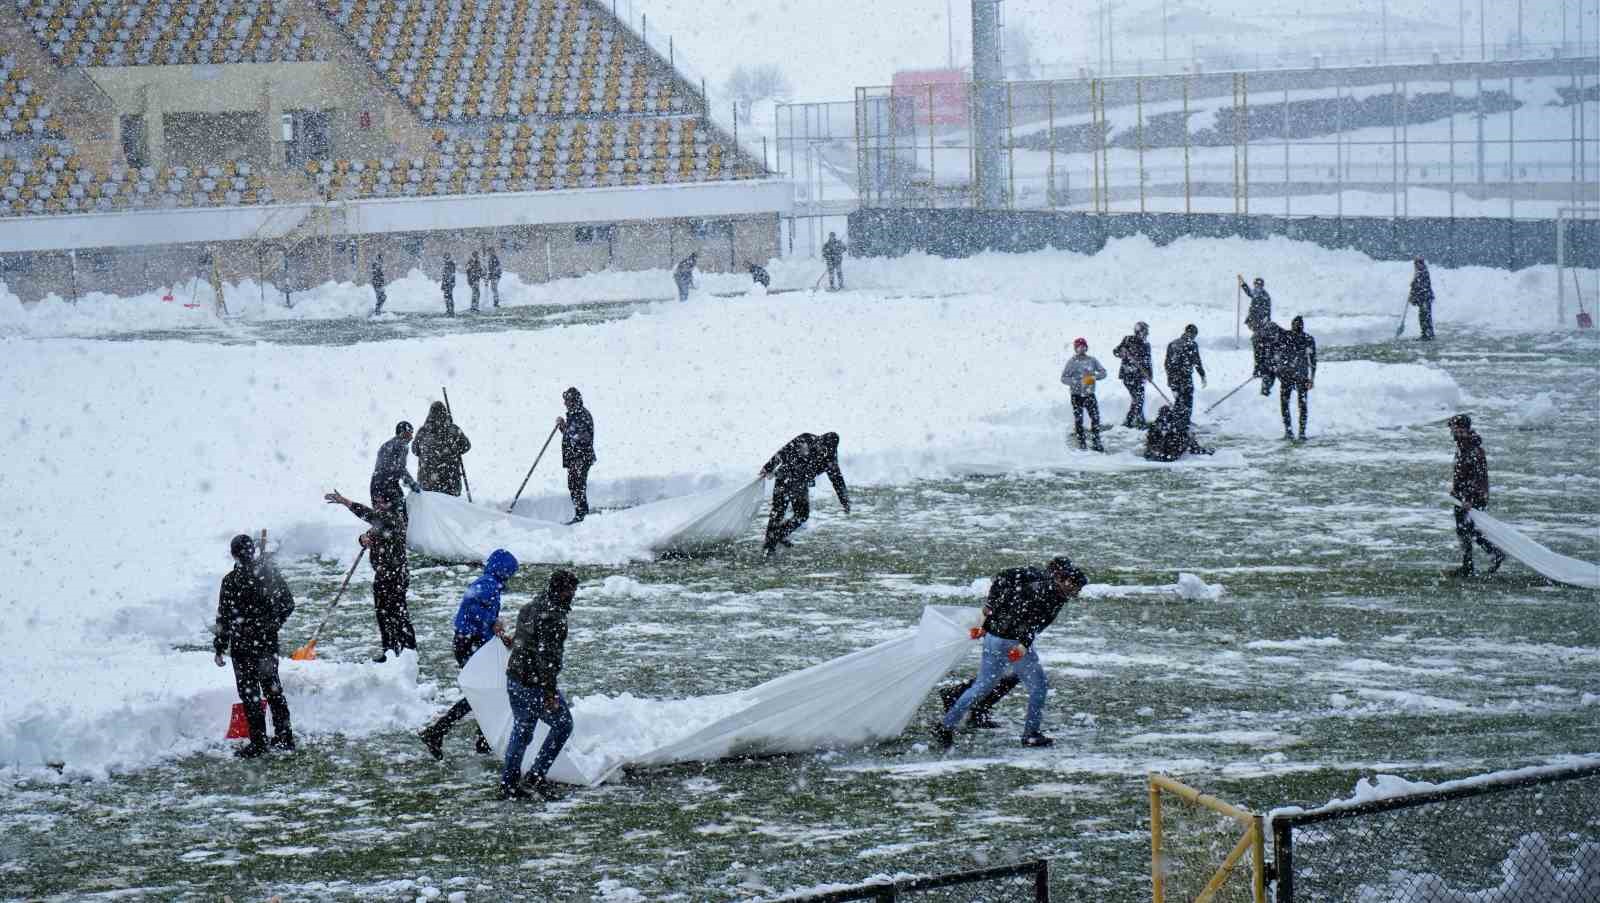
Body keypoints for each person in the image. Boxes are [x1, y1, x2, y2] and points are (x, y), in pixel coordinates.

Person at [933, 557, 1089, 749]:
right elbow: (1029, 620)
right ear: (1062, 579)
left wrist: (987, 620)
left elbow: (1008, 603)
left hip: (995, 637)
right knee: (1038, 687)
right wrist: (1023, 644)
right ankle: (1031, 734)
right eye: (1075, 587)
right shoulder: (1047, 593)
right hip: (1013, 642)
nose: (1076, 592)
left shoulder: (1034, 584)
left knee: (982, 685)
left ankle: (945, 726)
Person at [419, 548, 519, 759]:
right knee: (485, 691)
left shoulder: (489, 583)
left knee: (488, 690)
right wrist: (492, 624)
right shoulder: (488, 585)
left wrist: (496, 631)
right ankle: (442, 732)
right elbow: (473, 608)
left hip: (470, 643)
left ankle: (478, 739)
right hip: (470, 644)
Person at [497, 569, 578, 802]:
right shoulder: (554, 618)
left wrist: (512, 641)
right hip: (534, 683)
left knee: (521, 731)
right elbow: (548, 659)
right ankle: (536, 775)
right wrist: (550, 692)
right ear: (564, 591)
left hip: (515, 678)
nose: (572, 595)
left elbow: (523, 639)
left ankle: (509, 784)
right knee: (563, 724)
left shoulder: (531, 606)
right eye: (571, 590)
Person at [213, 533, 296, 758]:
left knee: (250, 695)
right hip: (267, 643)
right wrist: (272, 625)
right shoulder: (268, 574)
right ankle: (285, 738)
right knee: (273, 689)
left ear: (233, 555)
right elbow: (288, 603)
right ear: (253, 551)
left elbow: (224, 619)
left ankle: (258, 743)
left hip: (242, 646)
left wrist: (220, 647)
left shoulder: (230, 582)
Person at [325, 488, 416, 660]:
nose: (378, 504)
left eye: (381, 501)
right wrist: (363, 538)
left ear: (389, 503)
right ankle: (390, 651)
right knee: (384, 615)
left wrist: (346, 502)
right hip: (385, 575)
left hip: (394, 576)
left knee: (397, 615)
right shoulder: (384, 519)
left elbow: (370, 517)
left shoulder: (391, 519)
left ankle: (408, 652)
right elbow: (369, 534)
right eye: (377, 501)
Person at [759, 432, 850, 555]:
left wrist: (844, 500)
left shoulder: (830, 457)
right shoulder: (806, 439)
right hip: (785, 476)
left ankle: (777, 535)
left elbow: (837, 479)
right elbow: (784, 452)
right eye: (822, 447)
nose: (823, 452)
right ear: (820, 439)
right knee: (778, 510)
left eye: (828, 450)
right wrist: (768, 467)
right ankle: (769, 546)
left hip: (800, 484)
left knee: (802, 514)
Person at [1448, 415, 1505, 578]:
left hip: (1471, 498)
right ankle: (1469, 565)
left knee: (1469, 529)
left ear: (1464, 429)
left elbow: (1477, 477)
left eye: (1455, 428)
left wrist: (1469, 499)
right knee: (1465, 530)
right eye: (1452, 428)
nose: (1452, 431)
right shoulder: (1463, 446)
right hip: (1462, 496)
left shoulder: (1474, 450)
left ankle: (1492, 554)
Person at [412, 402, 472, 496]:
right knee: (450, 508)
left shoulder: (423, 431)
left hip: (427, 481)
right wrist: (453, 449)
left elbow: (415, 450)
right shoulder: (453, 429)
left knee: (430, 508)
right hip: (450, 480)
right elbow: (466, 446)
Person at [1060, 337, 1107, 452]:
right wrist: (1074, 381)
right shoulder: (1072, 362)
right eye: (1079, 347)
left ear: (1086, 347)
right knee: (1078, 419)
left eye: (1083, 346)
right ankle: (1081, 441)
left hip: (1089, 394)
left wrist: (1094, 377)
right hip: (1076, 395)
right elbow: (1063, 378)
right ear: (1075, 349)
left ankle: (1096, 441)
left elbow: (1103, 372)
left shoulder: (1092, 360)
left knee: (1095, 417)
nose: (1081, 349)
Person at [557, 387, 596, 524]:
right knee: (574, 485)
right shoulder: (575, 414)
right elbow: (571, 434)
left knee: (578, 486)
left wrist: (566, 428)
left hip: (581, 458)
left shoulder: (582, 415)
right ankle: (581, 514)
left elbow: (581, 438)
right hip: (575, 458)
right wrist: (563, 427)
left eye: (567, 400)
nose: (565, 403)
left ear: (573, 401)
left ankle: (582, 516)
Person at [371, 421, 420, 525]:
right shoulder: (396, 445)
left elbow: (399, 468)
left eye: (412, 433)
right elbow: (398, 468)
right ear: (401, 433)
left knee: (394, 515)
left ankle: (399, 537)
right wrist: (411, 483)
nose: (411, 437)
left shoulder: (398, 446)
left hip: (387, 484)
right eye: (409, 433)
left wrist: (410, 482)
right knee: (391, 517)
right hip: (382, 486)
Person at [1278, 316, 1317, 441]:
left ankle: (1293, 432)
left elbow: (1313, 360)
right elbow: (1313, 361)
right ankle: (1298, 432)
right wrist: (1311, 378)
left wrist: (1311, 379)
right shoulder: (1306, 338)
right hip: (1295, 376)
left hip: (1292, 376)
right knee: (1301, 404)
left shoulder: (1288, 337)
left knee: (1289, 404)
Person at [1239, 275, 1276, 394]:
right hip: (1258, 326)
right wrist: (1243, 283)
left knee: (1261, 347)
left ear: (1262, 286)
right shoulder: (1257, 293)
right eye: (1255, 285)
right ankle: (1259, 369)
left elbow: (1265, 313)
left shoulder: (1265, 297)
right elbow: (1249, 293)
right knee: (1258, 347)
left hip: (1262, 327)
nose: (1256, 287)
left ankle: (1261, 370)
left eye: (1258, 285)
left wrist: (1261, 325)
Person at [1112, 322, 1153, 429]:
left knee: (1139, 399)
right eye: (1145, 332)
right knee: (1138, 399)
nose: (1146, 334)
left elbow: (1148, 361)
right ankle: (1139, 422)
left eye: (1146, 332)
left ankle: (1129, 421)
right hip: (1128, 375)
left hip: (1140, 376)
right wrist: (1122, 352)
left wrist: (1150, 375)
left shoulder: (1146, 345)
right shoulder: (1128, 340)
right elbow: (1115, 351)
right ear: (1139, 332)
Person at [1164, 324, 1207, 425]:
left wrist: (1170, 379)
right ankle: (1184, 422)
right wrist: (1202, 375)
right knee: (1187, 400)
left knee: (1179, 400)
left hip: (1174, 377)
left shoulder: (1173, 343)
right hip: (1184, 377)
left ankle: (1176, 421)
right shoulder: (1192, 344)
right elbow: (1197, 362)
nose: (1193, 337)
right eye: (1193, 335)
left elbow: (1167, 364)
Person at [1142, 405, 1214, 462]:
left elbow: (1150, 443)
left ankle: (1164, 454)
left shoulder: (1157, 426)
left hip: (1168, 453)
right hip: (1169, 453)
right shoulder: (1172, 426)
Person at [1410, 257, 1435, 341]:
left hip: (1425, 299)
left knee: (1425, 317)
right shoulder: (1419, 272)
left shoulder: (1423, 273)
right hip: (1423, 299)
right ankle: (1426, 334)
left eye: (1417, 264)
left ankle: (1428, 335)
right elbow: (1418, 288)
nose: (1416, 266)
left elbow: (1422, 287)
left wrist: (1414, 286)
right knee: (1423, 317)